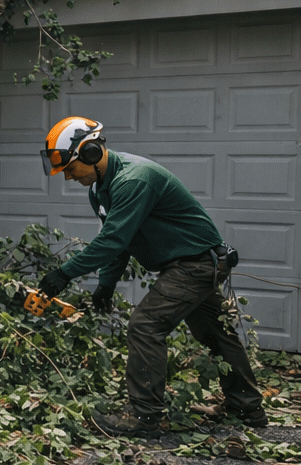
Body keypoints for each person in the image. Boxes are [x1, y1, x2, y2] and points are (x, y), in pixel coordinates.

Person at [34, 116, 266, 438]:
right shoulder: (100, 188)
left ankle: (144, 417)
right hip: (191, 263)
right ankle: (247, 408)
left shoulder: (134, 180)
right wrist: (105, 285)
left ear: (91, 153)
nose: (69, 176)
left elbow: (112, 240)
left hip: (196, 264)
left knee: (145, 326)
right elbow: (121, 240)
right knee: (216, 334)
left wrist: (64, 273)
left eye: (71, 168)